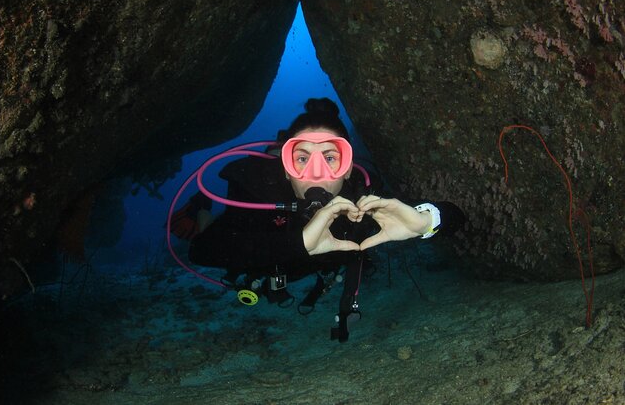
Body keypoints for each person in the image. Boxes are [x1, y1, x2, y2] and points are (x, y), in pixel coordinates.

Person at [185, 98, 464, 341]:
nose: (316, 174)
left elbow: (457, 217)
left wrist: (426, 221)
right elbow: (201, 250)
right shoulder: (258, 193)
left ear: (347, 169)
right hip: (263, 260)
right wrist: (296, 244)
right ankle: (201, 206)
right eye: (302, 158)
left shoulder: (362, 200)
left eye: (330, 158)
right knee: (206, 224)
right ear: (285, 169)